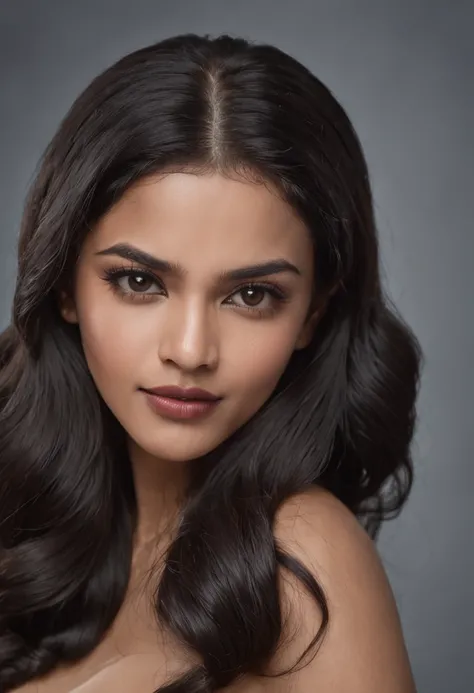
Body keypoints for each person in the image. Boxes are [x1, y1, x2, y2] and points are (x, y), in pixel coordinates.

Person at [0, 32, 422, 692]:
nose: (191, 350)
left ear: (313, 311)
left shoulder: (300, 558)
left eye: (252, 295)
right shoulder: (28, 530)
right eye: (140, 282)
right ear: (63, 285)